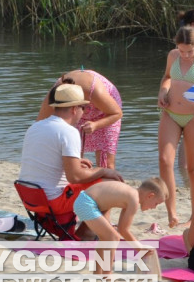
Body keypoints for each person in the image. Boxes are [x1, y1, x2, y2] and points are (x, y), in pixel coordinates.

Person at [19, 83, 124, 220]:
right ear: (75, 109)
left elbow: (44, 159)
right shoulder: (69, 132)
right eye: (84, 108)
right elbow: (75, 177)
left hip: (30, 198)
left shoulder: (35, 127)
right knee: (109, 181)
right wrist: (103, 170)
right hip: (53, 201)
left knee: (95, 177)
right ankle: (88, 232)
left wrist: (76, 162)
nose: (84, 112)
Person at [158, 25, 194, 227]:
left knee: (193, 168)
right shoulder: (173, 56)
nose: (184, 55)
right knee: (165, 161)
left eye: (188, 51)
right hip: (171, 113)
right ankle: (172, 213)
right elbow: (167, 77)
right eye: (181, 50)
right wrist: (162, 92)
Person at [72, 178, 167, 274]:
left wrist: (139, 247)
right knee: (113, 237)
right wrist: (139, 247)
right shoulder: (133, 199)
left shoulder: (131, 195)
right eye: (156, 204)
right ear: (150, 196)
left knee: (105, 239)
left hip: (84, 201)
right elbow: (124, 230)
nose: (154, 208)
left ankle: (98, 273)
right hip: (87, 203)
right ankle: (107, 274)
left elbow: (122, 228)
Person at [38, 69, 123, 169]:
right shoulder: (56, 93)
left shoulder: (95, 91)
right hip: (77, 104)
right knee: (74, 158)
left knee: (106, 164)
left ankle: (106, 183)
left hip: (108, 112)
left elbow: (117, 113)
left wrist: (96, 125)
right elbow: (40, 125)